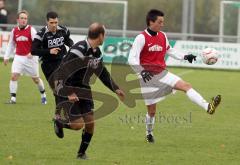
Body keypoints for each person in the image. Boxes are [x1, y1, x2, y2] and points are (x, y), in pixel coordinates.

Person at [128, 9, 221, 143]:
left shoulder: (163, 36)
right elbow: (132, 58)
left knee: (186, 86)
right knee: (152, 112)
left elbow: (170, 50)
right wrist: (141, 71)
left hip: (163, 73)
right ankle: (149, 133)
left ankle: (208, 107)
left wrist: (185, 56)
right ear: (151, 22)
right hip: (148, 79)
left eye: (163, 22)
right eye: (160, 22)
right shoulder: (141, 38)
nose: (162, 24)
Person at [48, 22, 125, 160]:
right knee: (78, 125)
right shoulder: (79, 49)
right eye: (104, 35)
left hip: (83, 87)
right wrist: (69, 92)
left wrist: (116, 88)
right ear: (100, 36)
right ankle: (59, 122)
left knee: (90, 122)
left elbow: (102, 73)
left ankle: (81, 153)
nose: (105, 37)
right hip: (64, 85)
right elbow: (62, 72)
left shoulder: (97, 52)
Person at [3, 10, 47, 104]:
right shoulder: (14, 31)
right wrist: (6, 56)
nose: (24, 20)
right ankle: (13, 98)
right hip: (18, 57)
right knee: (14, 76)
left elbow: (37, 43)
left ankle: (43, 95)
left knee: (35, 79)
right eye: (22, 18)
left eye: (25, 18)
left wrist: (32, 53)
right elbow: (11, 44)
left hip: (31, 58)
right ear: (18, 20)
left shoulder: (31, 30)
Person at [31, 11, 74, 81]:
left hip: (62, 60)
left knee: (64, 84)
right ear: (47, 22)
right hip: (48, 64)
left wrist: (72, 46)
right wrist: (49, 51)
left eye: (56, 22)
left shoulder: (64, 30)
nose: (54, 25)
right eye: (51, 23)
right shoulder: (41, 34)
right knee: (56, 88)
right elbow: (33, 51)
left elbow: (68, 40)